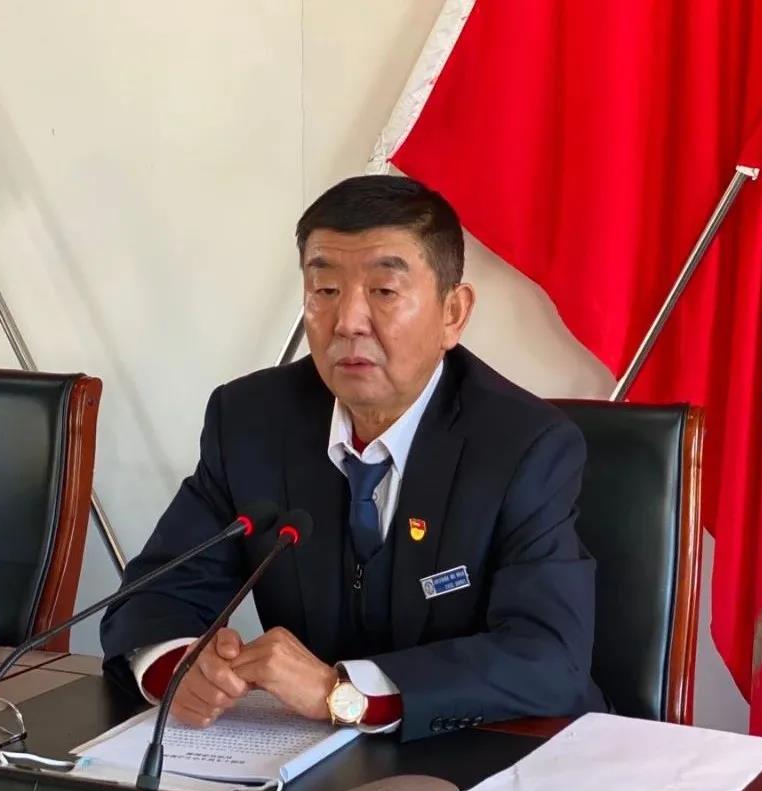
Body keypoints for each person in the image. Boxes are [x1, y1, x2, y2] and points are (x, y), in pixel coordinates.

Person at [101, 175, 606, 741]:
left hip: (489, 754)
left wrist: (343, 692)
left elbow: (548, 656)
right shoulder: (250, 420)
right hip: (306, 758)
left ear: (453, 313)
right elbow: (154, 596)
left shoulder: (526, 445)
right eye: (325, 291)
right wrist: (180, 666)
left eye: (384, 292)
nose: (347, 322)